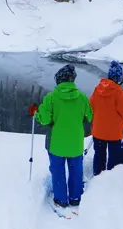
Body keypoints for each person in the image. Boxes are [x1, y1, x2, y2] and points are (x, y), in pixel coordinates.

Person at [30, 64, 93, 212]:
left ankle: (61, 199)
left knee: (58, 170)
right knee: (76, 170)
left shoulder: (51, 97)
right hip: (76, 143)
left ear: (59, 79)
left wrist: (37, 113)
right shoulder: (83, 98)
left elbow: (44, 120)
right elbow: (89, 116)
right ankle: (75, 198)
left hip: (56, 144)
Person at [89, 61, 123, 175]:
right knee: (114, 158)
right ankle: (110, 179)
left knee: (99, 155)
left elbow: (92, 106)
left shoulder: (98, 88)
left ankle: (98, 175)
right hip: (114, 132)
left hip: (98, 130)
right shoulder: (119, 92)